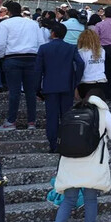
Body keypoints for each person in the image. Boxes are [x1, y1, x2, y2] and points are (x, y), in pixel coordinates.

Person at [48, 91, 111, 222]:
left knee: (68, 200)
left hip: (70, 161)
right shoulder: (103, 113)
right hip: (92, 163)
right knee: (91, 200)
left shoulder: (72, 111)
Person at [35, 23, 85, 152]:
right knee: (66, 116)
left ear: (52, 33)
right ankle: (66, 142)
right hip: (67, 86)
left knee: (51, 116)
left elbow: (37, 70)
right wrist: (76, 81)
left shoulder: (44, 48)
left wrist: (37, 89)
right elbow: (80, 63)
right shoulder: (71, 48)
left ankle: (53, 144)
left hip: (50, 86)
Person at [0, 1, 45, 131]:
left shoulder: (5, 24)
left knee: (14, 92)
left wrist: (2, 56)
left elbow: (0, 43)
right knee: (31, 92)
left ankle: (11, 121)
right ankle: (32, 122)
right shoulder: (33, 24)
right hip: (31, 58)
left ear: (9, 12)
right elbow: (41, 42)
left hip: (12, 58)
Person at [76, 29, 107, 99]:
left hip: (86, 81)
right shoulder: (102, 51)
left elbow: (80, 67)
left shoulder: (81, 52)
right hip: (101, 80)